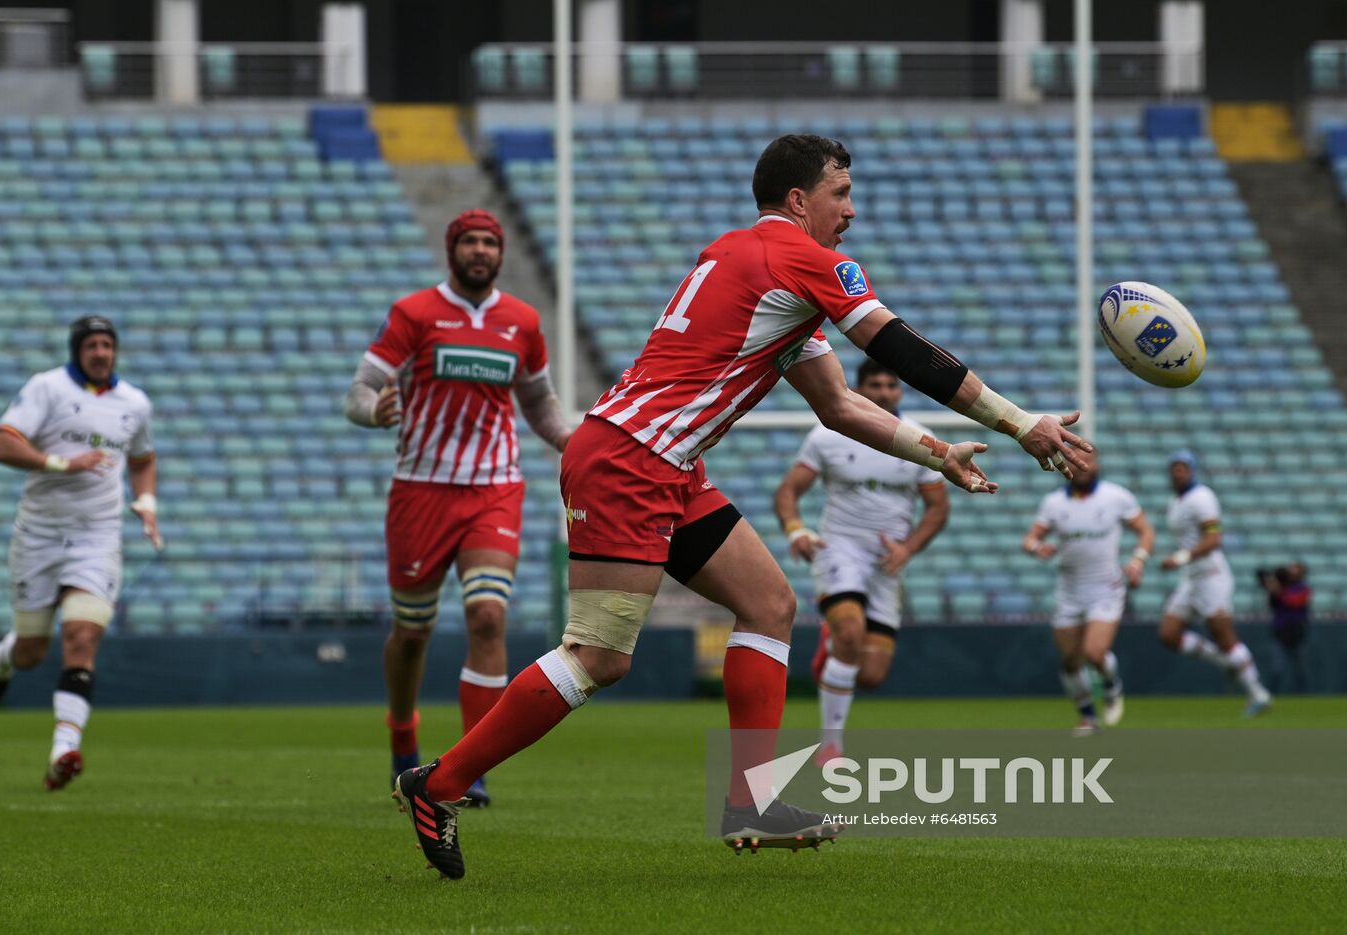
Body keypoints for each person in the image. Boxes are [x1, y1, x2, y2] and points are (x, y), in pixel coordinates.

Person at [392, 134, 1091, 879]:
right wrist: (1021, 422)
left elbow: (838, 404)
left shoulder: (744, 261)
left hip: (663, 460)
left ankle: (750, 799)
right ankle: (438, 784)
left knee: (769, 602)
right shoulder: (804, 261)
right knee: (598, 655)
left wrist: (936, 451)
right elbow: (902, 351)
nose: (850, 211)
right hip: (631, 458)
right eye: (841, 193)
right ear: (799, 201)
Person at [346, 209, 570, 806]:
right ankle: (403, 736)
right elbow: (359, 392)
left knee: (488, 619)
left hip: (493, 488)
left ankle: (472, 765)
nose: (479, 250)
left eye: (489, 242)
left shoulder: (522, 322)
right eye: (469, 241)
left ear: (500, 253)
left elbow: (540, 406)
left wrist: (579, 442)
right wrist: (375, 412)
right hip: (420, 490)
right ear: (453, 250)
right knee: (413, 633)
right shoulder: (415, 313)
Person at [0, 315, 161, 790]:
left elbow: (142, 459)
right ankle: (4, 656)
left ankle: (64, 748)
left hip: (97, 538)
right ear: (77, 350)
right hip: (38, 535)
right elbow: (0, 445)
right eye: (92, 345)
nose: (101, 352)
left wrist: (146, 503)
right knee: (32, 651)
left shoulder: (134, 403)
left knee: (82, 637)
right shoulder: (48, 388)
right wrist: (62, 461)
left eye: (107, 344)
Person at [772, 361, 949, 761]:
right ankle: (830, 745)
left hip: (888, 561)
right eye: (876, 385)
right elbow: (788, 491)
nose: (884, 392)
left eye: (891, 385)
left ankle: (830, 643)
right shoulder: (828, 435)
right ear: (859, 388)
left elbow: (937, 508)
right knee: (851, 636)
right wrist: (796, 530)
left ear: (900, 392)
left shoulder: (922, 439)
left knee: (870, 675)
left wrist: (908, 548)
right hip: (840, 548)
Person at [1021, 449, 1154, 734]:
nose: (1081, 465)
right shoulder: (1054, 503)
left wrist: (1138, 560)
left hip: (1105, 587)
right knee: (1070, 662)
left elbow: (1145, 531)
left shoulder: (1116, 497)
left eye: (1088, 460)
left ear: (1097, 464)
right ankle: (1088, 717)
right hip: (1069, 590)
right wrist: (1037, 547)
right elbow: (1030, 538)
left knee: (1095, 652)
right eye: (1075, 460)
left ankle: (1111, 685)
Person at [1157, 450, 1271, 716]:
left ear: (1193, 470)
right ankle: (1227, 663)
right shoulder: (1176, 500)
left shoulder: (1201, 498)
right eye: (1174, 467)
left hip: (1211, 576)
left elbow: (1213, 539)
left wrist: (1181, 557)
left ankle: (1258, 693)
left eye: (1184, 467)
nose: (1178, 472)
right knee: (1169, 634)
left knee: (1225, 638)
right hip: (1193, 578)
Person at [1260, 562, 1310, 693]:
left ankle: (1301, 695)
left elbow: (1295, 601)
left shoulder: (1302, 588)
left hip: (1297, 631)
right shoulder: (1280, 588)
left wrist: (1278, 591)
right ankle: (1271, 695)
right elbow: (1270, 604)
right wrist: (1271, 588)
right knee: (1277, 667)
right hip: (1280, 632)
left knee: (1300, 668)